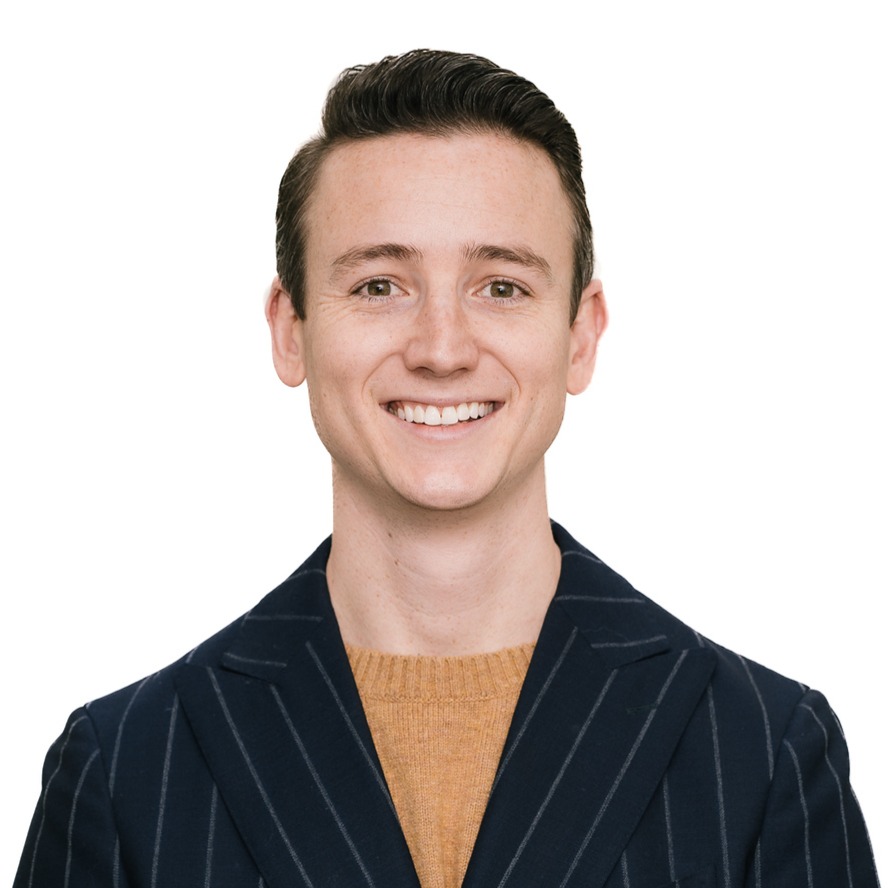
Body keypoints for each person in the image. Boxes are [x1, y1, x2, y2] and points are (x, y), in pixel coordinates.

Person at [15, 49, 878, 888]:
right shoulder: (125, 772)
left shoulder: (762, 758)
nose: (441, 348)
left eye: (501, 286)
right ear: (290, 330)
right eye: (379, 285)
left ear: (581, 335)